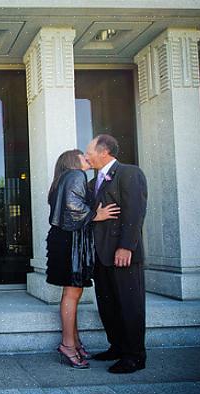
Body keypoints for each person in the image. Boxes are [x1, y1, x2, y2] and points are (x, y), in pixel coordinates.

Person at [46, 149, 120, 369]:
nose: (88, 159)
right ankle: (68, 345)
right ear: (73, 161)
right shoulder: (77, 175)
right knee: (72, 292)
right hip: (71, 242)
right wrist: (98, 215)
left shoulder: (62, 179)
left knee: (72, 292)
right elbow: (74, 207)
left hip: (64, 240)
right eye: (83, 157)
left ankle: (74, 342)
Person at [85, 134, 148, 374]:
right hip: (101, 256)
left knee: (129, 305)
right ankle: (117, 347)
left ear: (104, 152)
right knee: (108, 304)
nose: (87, 155)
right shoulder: (92, 183)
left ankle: (135, 356)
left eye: (89, 150)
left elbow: (135, 213)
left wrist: (126, 246)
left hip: (123, 254)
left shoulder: (129, 173)